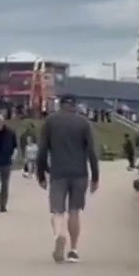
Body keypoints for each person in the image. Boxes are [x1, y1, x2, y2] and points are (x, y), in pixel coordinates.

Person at [36, 94, 100, 263]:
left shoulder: (51, 122)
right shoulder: (83, 123)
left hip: (58, 172)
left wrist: (41, 174)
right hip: (79, 173)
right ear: (75, 105)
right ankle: (73, 249)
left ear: (60, 104)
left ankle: (60, 235)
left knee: (57, 210)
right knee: (74, 211)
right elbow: (92, 152)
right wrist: (95, 177)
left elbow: (42, 150)